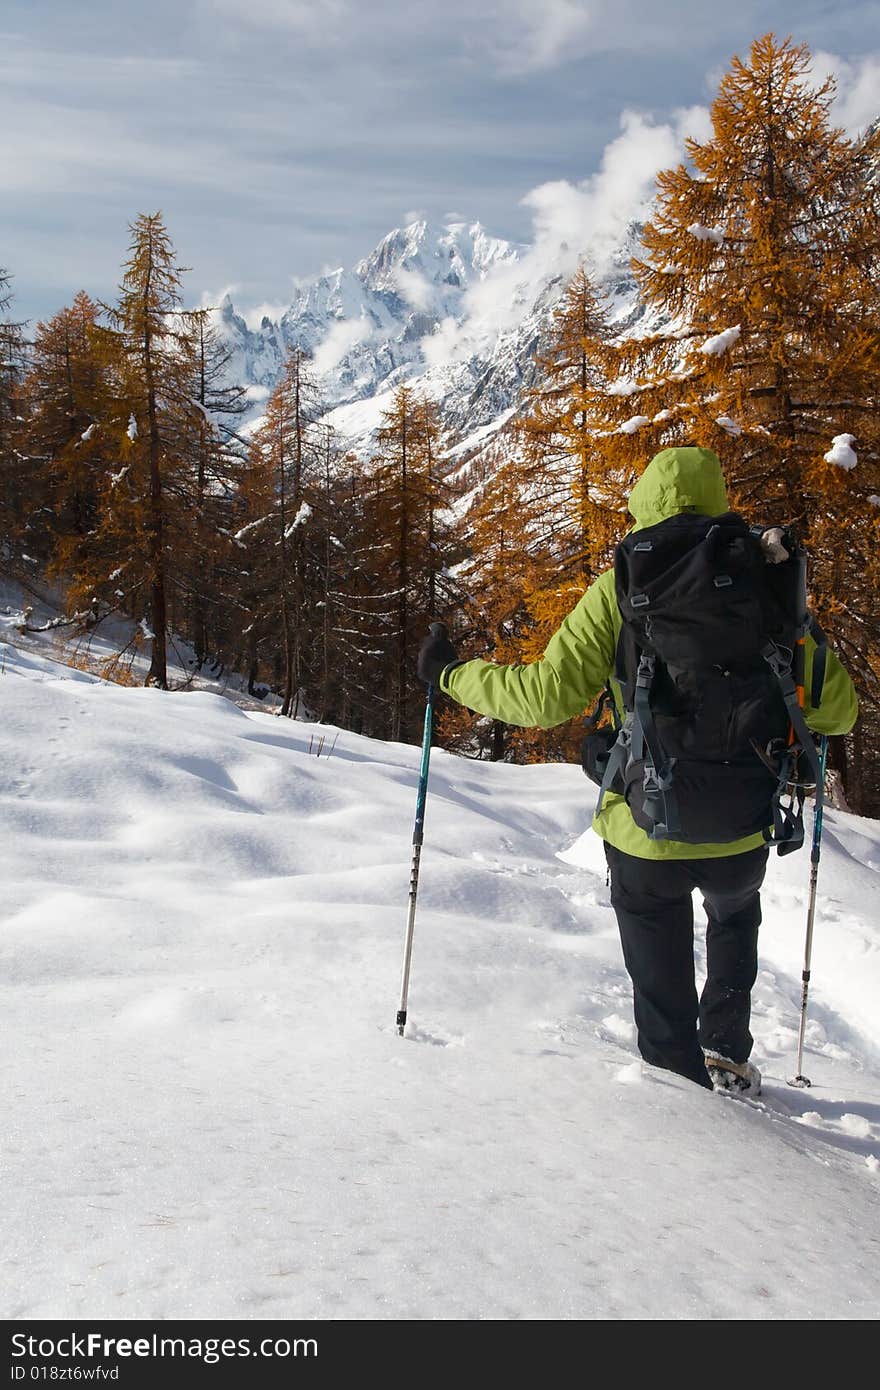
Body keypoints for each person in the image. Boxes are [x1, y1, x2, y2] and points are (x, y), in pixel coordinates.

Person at [417, 446, 858, 1095]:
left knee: (660, 984)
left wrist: (450, 674)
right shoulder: (768, 584)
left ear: (643, 502)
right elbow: (839, 712)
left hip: (643, 830)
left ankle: (678, 1094)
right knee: (734, 918)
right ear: (719, 498)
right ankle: (728, 1050)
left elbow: (543, 697)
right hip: (742, 826)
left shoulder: (624, 585)